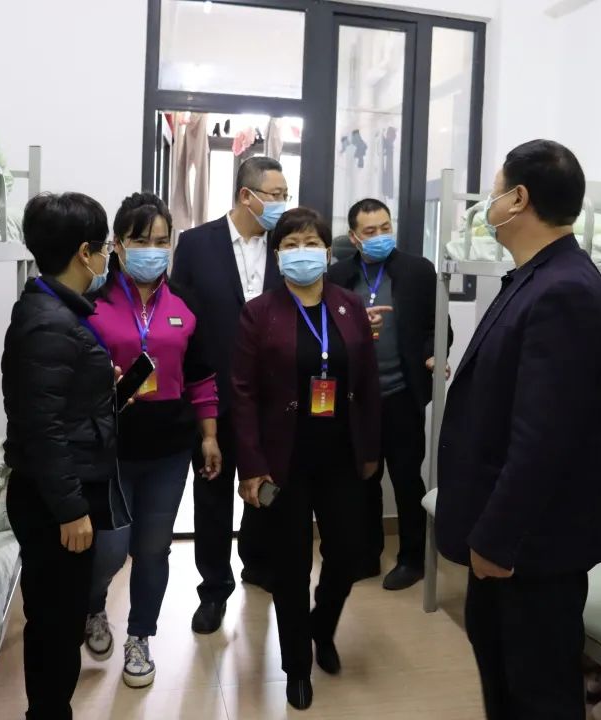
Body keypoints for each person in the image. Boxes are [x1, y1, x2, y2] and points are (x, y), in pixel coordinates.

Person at [435, 140, 601, 720]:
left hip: (530, 549)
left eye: (493, 191)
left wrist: (497, 539)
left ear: (518, 199)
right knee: (503, 683)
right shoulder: (532, 278)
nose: (485, 206)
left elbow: (544, 439)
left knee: (538, 697)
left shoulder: (565, 290)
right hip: (508, 540)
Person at [231, 208, 381, 710]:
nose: (303, 251)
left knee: (349, 553)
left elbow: (367, 382)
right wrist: (252, 465)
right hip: (284, 458)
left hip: (341, 452)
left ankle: (322, 625)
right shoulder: (259, 312)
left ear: (328, 251)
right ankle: (297, 665)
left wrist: (370, 449)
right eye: (291, 243)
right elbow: (243, 393)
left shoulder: (349, 305)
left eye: (311, 242)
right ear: (277, 256)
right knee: (290, 565)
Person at [82, 192, 223, 688]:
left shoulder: (185, 302)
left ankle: (140, 636)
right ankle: (93, 607)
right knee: (109, 549)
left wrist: (209, 436)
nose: (152, 250)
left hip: (169, 450)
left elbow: (202, 377)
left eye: (162, 241)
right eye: (141, 240)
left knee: (154, 550)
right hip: (110, 450)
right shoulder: (93, 302)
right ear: (118, 245)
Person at [1, 192, 131, 720]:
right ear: (83, 252)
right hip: (55, 497)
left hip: (62, 486)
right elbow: (43, 429)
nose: (106, 258)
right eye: (103, 248)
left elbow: (56, 403)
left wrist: (103, 389)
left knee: (59, 618)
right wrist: (71, 509)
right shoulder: (50, 322)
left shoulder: (55, 310)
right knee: (56, 626)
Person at [171, 156, 285, 634]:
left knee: (267, 488)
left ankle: (257, 564)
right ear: (246, 195)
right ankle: (213, 589)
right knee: (213, 495)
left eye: (285, 196)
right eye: (276, 195)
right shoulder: (196, 244)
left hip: (273, 398)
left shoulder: (286, 244)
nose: (282, 204)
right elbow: (183, 320)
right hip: (213, 395)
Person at [327, 198, 452, 591]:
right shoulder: (337, 276)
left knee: (406, 477)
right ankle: (366, 556)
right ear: (353, 237)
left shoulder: (417, 271)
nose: (380, 236)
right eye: (370, 231)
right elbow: (324, 328)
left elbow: (439, 325)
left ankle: (412, 558)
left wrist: (433, 353)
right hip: (355, 397)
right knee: (363, 477)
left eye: (385, 228)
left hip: (402, 393)